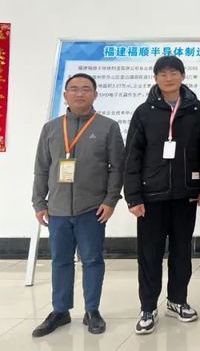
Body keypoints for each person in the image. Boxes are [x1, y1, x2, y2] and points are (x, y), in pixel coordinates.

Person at [31, 73, 126, 337]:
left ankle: (92, 311)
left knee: (92, 260)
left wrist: (110, 200)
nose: (79, 93)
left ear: (95, 94)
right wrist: (39, 202)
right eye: (73, 89)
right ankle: (60, 311)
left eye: (86, 89)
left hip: (92, 208)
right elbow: (41, 168)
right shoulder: (51, 128)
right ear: (65, 95)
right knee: (60, 260)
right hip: (57, 209)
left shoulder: (107, 127)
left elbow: (117, 168)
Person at [124, 56, 200, 335]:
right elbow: (132, 156)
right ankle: (148, 307)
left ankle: (177, 300)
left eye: (174, 73)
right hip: (151, 195)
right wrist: (133, 196)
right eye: (162, 73)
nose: (168, 78)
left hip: (186, 193)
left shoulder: (197, 110)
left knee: (182, 251)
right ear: (156, 78)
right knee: (149, 254)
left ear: (183, 76)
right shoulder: (144, 112)